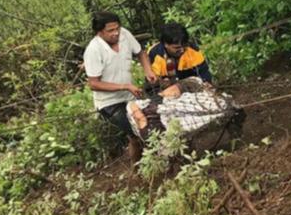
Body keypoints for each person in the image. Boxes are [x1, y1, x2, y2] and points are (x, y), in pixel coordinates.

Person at [83, 11, 158, 161]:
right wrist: (125, 86)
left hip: (129, 95)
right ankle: (141, 169)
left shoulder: (124, 34)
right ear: (99, 32)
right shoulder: (94, 50)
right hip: (109, 102)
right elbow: (94, 83)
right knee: (137, 132)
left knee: (148, 125)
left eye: (117, 28)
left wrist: (148, 70)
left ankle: (144, 166)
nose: (115, 33)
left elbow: (140, 53)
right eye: (110, 30)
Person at [147, 22, 212, 84]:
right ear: (165, 44)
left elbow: (205, 76)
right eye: (177, 48)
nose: (182, 50)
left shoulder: (193, 50)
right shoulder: (154, 53)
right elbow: (151, 81)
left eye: (184, 46)